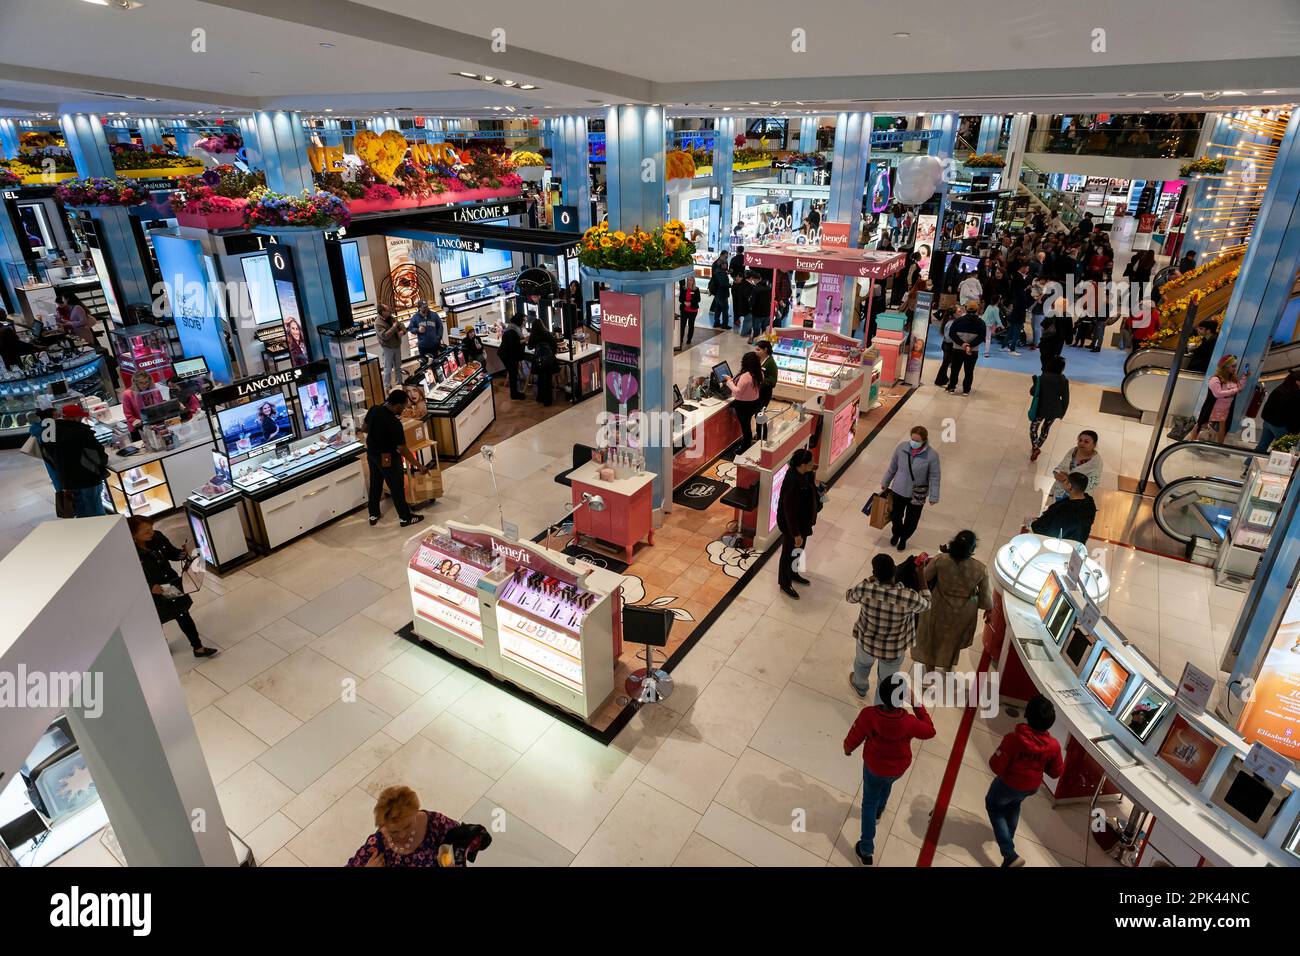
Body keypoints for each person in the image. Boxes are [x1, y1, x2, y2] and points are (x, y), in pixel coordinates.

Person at [842, 671, 934, 866]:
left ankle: (866, 849)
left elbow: (855, 734)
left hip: (873, 766)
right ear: (901, 700)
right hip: (898, 768)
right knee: (887, 785)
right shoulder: (909, 722)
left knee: (868, 801)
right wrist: (916, 703)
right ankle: (880, 810)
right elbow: (930, 731)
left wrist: (847, 748)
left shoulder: (869, 715)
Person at [985, 694, 1063, 867]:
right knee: (1014, 805)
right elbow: (1056, 772)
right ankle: (1008, 855)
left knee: (994, 806)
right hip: (1031, 787)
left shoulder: (1013, 740)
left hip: (1008, 784)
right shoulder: (1054, 745)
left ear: (1026, 715)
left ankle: (1009, 854)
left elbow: (996, 766)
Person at [127, 516, 218, 659]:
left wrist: (183, 553)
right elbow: (130, 577)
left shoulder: (158, 538)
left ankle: (198, 648)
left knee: (182, 613)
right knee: (156, 621)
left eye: (151, 528)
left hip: (169, 585)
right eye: (146, 531)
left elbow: (172, 554)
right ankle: (162, 646)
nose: (151, 532)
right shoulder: (129, 553)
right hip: (151, 593)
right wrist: (150, 587)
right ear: (133, 535)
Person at [845, 554, 932, 701]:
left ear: (874, 573)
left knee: (861, 664)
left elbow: (849, 596)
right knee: (886, 682)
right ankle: (880, 708)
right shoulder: (908, 596)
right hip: (893, 649)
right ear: (894, 571)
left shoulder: (865, 589)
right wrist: (921, 574)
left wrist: (870, 579)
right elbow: (927, 603)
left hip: (866, 643)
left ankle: (860, 687)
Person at [347, 785, 490, 868]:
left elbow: (459, 836)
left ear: (416, 812)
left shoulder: (434, 823)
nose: (402, 835)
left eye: (408, 826)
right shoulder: (377, 843)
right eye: (394, 831)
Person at [912, 531, 993, 671]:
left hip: (937, 605)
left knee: (932, 638)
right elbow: (985, 600)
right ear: (972, 549)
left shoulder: (941, 560)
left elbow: (926, 577)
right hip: (963, 612)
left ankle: (930, 671)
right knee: (953, 640)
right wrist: (988, 609)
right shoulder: (980, 569)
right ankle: (948, 667)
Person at [362, 389, 427, 528]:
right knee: (396, 487)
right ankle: (405, 518)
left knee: (375, 483)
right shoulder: (394, 423)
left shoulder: (374, 409)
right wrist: (418, 465)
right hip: (388, 458)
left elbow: (364, 428)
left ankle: (373, 514)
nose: (404, 409)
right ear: (397, 405)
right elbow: (403, 449)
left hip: (372, 454)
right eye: (403, 406)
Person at [881, 425, 941, 551]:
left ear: (924, 440)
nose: (914, 443)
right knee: (896, 516)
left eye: (917, 441)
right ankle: (896, 533)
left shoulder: (932, 456)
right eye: (912, 439)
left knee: (912, 520)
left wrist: (934, 496)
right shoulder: (901, 448)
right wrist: (885, 482)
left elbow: (935, 477)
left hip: (917, 493)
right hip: (899, 489)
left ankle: (904, 538)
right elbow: (892, 467)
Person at [50, 405, 108, 517]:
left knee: (82, 510)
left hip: (69, 481)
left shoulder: (55, 432)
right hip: (87, 478)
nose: (82, 419)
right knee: (95, 511)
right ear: (75, 418)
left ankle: (87, 531)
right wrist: (104, 460)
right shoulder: (81, 432)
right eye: (80, 416)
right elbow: (96, 456)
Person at [775, 448, 818, 599]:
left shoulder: (805, 474)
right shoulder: (793, 481)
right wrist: (796, 533)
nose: (814, 463)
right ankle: (785, 582)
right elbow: (789, 511)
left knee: (798, 550)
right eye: (811, 462)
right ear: (802, 465)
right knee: (788, 553)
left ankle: (793, 573)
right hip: (793, 526)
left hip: (804, 523)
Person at [1189, 355, 1243, 444]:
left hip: (1225, 408)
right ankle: (1192, 442)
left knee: (1223, 427)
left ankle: (1219, 446)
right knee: (1201, 424)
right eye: (1233, 366)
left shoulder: (1231, 378)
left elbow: (1240, 387)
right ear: (1225, 366)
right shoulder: (1215, 379)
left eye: (1235, 366)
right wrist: (1235, 390)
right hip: (1212, 407)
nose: (1235, 368)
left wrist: (1244, 377)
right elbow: (1218, 393)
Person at [1030, 471, 1096, 544]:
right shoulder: (1089, 502)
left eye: (1065, 481)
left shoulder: (1066, 512)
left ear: (1069, 486)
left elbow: (1050, 534)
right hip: (1077, 541)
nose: (1063, 482)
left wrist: (1033, 524)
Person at [1027, 355, 1070, 461]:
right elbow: (1065, 398)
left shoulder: (1042, 378)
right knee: (1045, 429)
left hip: (1040, 408)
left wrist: (1035, 383)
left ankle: (1035, 447)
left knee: (1033, 428)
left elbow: (1033, 392)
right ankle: (1037, 447)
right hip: (1054, 410)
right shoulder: (1063, 381)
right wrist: (1062, 412)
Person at [723, 351, 763, 451]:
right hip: (754, 402)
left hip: (743, 405)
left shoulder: (746, 376)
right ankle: (746, 441)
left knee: (745, 426)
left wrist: (728, 381)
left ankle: (745, 445)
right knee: (747, 424)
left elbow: (738, 391)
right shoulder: (759, 373)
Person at [946, 302, 986, 395]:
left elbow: (952, 334)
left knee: (955, 369)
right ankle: (966, 390)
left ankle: (952, 387)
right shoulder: (981, 323)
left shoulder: (958, 321)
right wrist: (969, 346)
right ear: (977, 310)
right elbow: (982, 337)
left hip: (957, 349)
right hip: (972, 351)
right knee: (969, 371)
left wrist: (962, 344)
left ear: (966, 309)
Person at [1048, 430, 1102, 498]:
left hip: (1075, 496)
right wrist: (1056, 473)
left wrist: (1070, 482)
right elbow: (1061, 466)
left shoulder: (1096, 462)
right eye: (1080, 440)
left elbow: (1094, 483)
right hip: (1060, 489)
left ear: (1094, 445)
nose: (1081, 443)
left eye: (1086, 442)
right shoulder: (1073, 450)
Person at [1255, 370, 1300, 452]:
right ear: (1297, 382)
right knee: (1282, 451)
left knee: (1262, 445)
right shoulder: (1295, 394)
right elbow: (1293, 415)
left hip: (1268, 421)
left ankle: (1249, 463)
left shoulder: (1281, 387)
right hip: (1280, 426)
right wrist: (1294, 431)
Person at [120, 370, 164, 438]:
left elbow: (160, 407)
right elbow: (128, 415)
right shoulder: (127, 394)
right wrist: (140, 423)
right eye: (141, 383)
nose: (144, 385)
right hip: (139, 428)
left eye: (146, 382)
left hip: (156, 425)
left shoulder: (155, 391)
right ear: (135, 383)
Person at [374, 303, 406, 389]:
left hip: (396, 346)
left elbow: (401, 325)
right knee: (388, 368)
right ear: (382, 312)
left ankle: (399, 383)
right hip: (388, 348)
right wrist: (394, 327)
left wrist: (402, 331)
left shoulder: (391, 318)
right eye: (387, 310)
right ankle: (387, 386)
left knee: (398, 366)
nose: (389, 311)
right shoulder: (378, 323)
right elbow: (384, 336)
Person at [528, 319, 558, 406]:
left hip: (539, 361)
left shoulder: (533, 335)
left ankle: (540, 397)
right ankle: (548, 401)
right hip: (549, 360)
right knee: (548, 380)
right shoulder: (547, 334)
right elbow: (554, 346)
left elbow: (530, 347)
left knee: (540, 379)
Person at [408, 300, 444, 368]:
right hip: (423, 346)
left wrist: (438, 337)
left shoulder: (434, 315)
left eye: (427, 306)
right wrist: (418, 330)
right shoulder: (415, 317)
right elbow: (411, 329)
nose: (426, 308)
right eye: (424, 307)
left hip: (434, 345)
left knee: (435, 364)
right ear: (419, 308)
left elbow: (440, 327)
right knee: (424, 366)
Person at [499, 312, 525, 399]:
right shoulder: (512, 330)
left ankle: (515, 393)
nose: (525, 322)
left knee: (513, 373)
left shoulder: (513, 328)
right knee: (513, 373)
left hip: (509, 354)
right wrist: (525, 340)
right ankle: (514, 394)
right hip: (508, 355)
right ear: (519, 321)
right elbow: (514, 344)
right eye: (524, 320)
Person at [748, 270, 772, 344]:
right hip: (767, 312)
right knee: (765, 329)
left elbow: (752, 302)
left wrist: (750, 302)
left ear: (755, 279)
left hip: (757, 313)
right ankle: (764, 343)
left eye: (753, 280)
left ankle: (757, 343)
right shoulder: (769, 288)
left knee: (756, 329)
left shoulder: (755, 289)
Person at [708, 253, 731, 328]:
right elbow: (723, 284)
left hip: (717, 293)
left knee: (718, 309)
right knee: (725, 310)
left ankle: (716, 322)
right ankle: (725, 324)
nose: (726, 266)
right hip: (723, 294)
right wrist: (730, 285)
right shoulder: (722, 273)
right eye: (725, 265)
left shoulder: (717, 271)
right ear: (722, 265)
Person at [678, 275, 700, 348]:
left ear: (693, 281)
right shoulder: (684, 289)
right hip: (684, 310)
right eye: (688, 280)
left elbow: (698, 299)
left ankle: (689, 339)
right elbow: (680, 298)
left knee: (691, 325)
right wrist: (684, 302)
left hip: (693, 311)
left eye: (691, 280)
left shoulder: (696, 290)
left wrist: (690, 303)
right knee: (682, 325)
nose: (689, 281)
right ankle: (680, 339)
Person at [730, 269, 753, 340]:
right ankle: (747, 330)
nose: (736, 278)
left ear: (741, 277)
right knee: (747, 319)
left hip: (744, 306)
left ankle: (746, 331)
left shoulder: (743, 285)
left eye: (737, 277)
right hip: (743, 306)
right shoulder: (740, 284)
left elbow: (745, 296)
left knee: (747, 319)